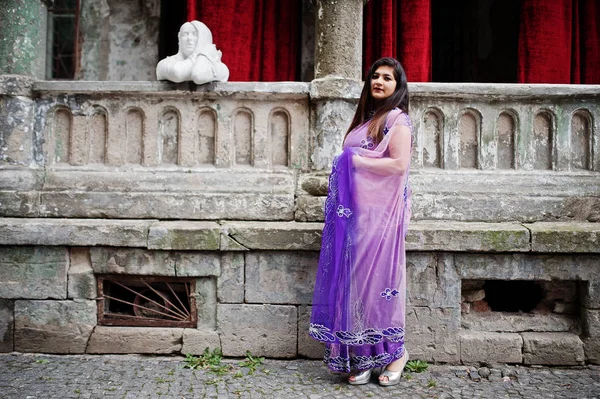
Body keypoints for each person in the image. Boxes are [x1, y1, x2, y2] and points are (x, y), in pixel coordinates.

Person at [309, 57, 412, 387]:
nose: (379, 82)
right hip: (354, 218)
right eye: (375, 77)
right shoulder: (366, 120)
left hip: (379, 220)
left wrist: (352, 159)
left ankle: (396, 353)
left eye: (387, 78)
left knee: (376, 288)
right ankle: (363, 357)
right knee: (354, 288)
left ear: (398, 86)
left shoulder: (397, 119)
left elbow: (398, 165)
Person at [156, 21, 229, 85]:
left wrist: (202, 55)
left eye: (195, 34)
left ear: (205, 39)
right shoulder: (164, 63)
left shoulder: (219, 68)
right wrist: (203, 54)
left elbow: (198, 75)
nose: (189, 38)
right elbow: (177, 73)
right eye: (185, 34)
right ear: (179, 38)